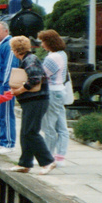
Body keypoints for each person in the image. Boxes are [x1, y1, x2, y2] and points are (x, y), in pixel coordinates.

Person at [8, 36, 56, 175]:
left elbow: (35, 79)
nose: (12, 52)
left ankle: (48, 161)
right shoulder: (27, 59)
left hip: (37, 100)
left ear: (17, 50)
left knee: (31, 132)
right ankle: (25, 163)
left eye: (13, 49)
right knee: (25, 132)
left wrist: (19, 90)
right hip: (32, 101)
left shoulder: (30, 59)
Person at [38, 29, 70, 166]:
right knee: (61, 126)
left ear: (49, 42)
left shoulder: (52, 58)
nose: (41, 45)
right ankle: (60, 157)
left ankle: (48, 157)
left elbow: (42, 74)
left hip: (51, 92)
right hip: (60, 91)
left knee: (49, 127)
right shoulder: (62, 54)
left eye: (43, 42)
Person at [0, 21, 19, 154]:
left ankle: (8, 143)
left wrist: (7, 86)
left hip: (4, 85)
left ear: (6, 31)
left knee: (6, 113)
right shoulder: (0, 44)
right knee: (0, 113)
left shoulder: (8, 45)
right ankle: (3, 141)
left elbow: (9, 66)